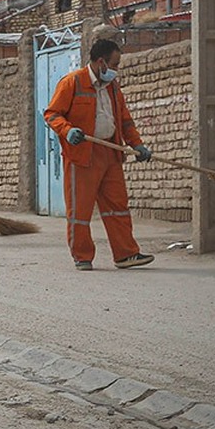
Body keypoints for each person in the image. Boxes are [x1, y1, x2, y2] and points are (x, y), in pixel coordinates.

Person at [43, 38, 155, 271]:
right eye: (114, 64)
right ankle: (82, 256)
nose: (116, 69)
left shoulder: (113, 87)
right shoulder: (72, 82)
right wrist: (68, 130)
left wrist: (137, 144)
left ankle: (126, 254)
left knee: (118, 206)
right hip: (82, 156)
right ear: (101, 62)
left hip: (110, 152)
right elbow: (52, 114)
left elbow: (124, 120)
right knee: (80, 211)